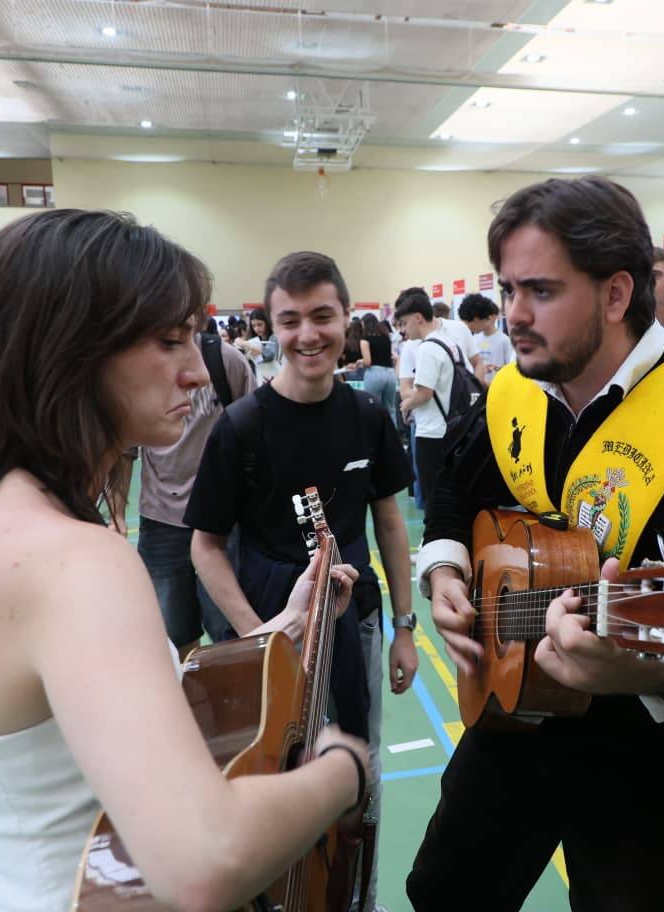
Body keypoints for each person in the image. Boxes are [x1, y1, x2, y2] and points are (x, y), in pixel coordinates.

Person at [0, 210, 371, 912]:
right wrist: (344, 770)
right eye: (169, 342)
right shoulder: (74, 559)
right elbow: (203, 859)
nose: (198, 371)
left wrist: (284, 625)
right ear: (66, 351)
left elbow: (103, 705)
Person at [407, 176, 664, 910]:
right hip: (516, 712)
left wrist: (645, 675)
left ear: (617, 294)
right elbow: (456, 488)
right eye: (507, 289)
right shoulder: (515, 391)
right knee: (442, 889)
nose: (513, 317)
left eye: (541, 292)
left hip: (651, 756)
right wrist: (446, 571)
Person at [186, 251, 417, 912]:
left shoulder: (367, 416)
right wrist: (262, 635)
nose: (308, 334)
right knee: (279, 780)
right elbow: (206, 548)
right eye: (290, 321)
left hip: (357, 626)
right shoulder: (241, 427)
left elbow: (391, 524)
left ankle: (358, 898)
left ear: (348, 319)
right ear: (270, 327)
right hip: (273, 637)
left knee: (358, 772)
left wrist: (404, 628)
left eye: (322, 316)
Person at [137, 315, 255, 661]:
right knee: (173, 629)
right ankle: (192, 700)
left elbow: (252, 431)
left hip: (220, 517)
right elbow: (124, 450)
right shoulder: (139, 366)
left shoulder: (226, 360)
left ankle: (228, 702)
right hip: (161, 517)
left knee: (226, 626)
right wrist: (114, 514)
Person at [394, 288, 463, 504]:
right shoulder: (447, 343)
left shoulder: (427, 348)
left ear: (417, 318)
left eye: (404, 323)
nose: (403, 331)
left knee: (434, 498)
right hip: (448, 427)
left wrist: (405, 406)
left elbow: (424, 393)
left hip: (432, 433)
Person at [458, 292, 514, 384]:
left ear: (489, 318)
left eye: (471, 321)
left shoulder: (504, 341)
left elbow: (512, 370)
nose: (469, 326)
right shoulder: (474, 339)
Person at [359, 312, 399, 428]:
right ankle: (393, 438)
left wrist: (360, 362)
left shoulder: (365, 339)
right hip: (390, 374)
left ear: (365, 325)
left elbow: (367, 362)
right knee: (391, 409)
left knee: (372, 407)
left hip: (374, 373)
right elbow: (392, 356)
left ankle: (375, 440)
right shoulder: (386, 337)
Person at [239, 307, 281, 382]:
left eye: (260, 324)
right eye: (253, 326)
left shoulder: (274, 337)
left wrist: (252, 347)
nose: (256, 329)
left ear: (267, 322)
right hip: (260, 377)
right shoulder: (254, 339)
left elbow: (270, 354)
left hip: (276, 377)